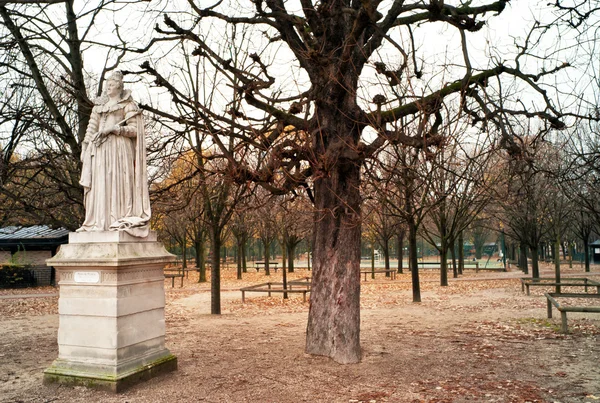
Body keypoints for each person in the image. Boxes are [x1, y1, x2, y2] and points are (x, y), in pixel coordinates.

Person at [77, 71, 151, 237]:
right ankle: (97, 221)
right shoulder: (99, 106)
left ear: (119, 86)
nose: (108, 87)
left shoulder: (127, 105)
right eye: (107, 84)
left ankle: (117, 217)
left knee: (117, 182)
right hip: (99, 151)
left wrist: (115, 129)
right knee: (100, 184)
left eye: (111, 84)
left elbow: (135, 130)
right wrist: (85, 147)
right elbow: (91, 128)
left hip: (119, 151)